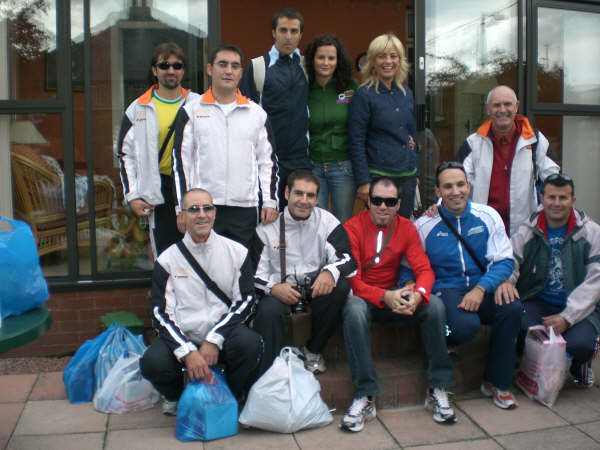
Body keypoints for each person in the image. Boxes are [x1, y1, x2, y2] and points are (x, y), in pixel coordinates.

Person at [340, 177, 456, 432]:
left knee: (434, 306)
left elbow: (424, 269)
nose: (383, 206)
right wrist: (384, 297)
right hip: (368, 297)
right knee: (353, 310)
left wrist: (419, 295)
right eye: (377, 200)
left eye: (390, 201)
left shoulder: (406, 228)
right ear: (367, 201)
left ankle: (437, 387)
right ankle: (365, 394)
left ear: (398, 204)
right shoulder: (352, 228)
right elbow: (353, 281)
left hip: (395, 294)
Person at [140, 188, 263, 415]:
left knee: (250, 344)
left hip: (223, 337)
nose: (202, 215)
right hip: (184, 336)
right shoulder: (167, 260)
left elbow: (245, 301)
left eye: (207, 208)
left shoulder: (237, 252)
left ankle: (231, 395)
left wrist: (215, 339)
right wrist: (187, 350)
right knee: (152, 362)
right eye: (194, 209)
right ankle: (176, 396)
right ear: (182, 217)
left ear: (214, 213)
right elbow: (160, 314)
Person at [415, 162, 522, 410]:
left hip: (481, 286)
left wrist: (482, 287)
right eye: (448, 186)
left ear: (469, 186)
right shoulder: (424, 224)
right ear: (438, 192)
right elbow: (413, 266)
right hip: (446, 289)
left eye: (460, 184)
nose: (456, 191)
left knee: (512, 309)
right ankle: (445, 335)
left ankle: (496, 381)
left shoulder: (488, 215)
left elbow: (504, 260)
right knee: (463, 328)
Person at [496, 173, 600, 388]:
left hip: (580, 307)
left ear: (573, 200)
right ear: (541, 198)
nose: (556, 203)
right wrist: (507, 281)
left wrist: (567, 317)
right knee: (517, 323)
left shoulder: (591, 232)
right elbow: (510, 262)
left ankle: (580, 363)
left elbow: (595, 282)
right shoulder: (528, 229)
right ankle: (533, 365)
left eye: (563, 198)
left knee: (581, 344)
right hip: (537, 300)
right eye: (551, 197)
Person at [171, 44, 278, 249]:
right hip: (204, 208)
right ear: (210, 69)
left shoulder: (257, 114)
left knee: (242, 271)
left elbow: (268, 162)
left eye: (235, 66)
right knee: (205, 271)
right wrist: (182, 208)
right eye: (223, 64)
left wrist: (269, 201)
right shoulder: (191, 111)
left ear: (240, 72)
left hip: (245, 208)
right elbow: (181, 164)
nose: (229, 71)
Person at [252, 169, 357, 374]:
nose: (304, 200)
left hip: (314, 286)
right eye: (298, 193)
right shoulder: (267, 228)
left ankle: (313, 351)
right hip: (280, 290)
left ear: (317, 198)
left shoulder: (327, 222)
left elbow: (348, 259)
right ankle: (268, 368)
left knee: (340, 286)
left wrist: (329, 272)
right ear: (286, 194)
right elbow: (252, 275)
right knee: (267, 308)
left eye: (310, 195)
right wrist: (273, 289)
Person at [118, 42, 198, 258]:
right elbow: (126, 155)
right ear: (154, 70)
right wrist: (132, 195)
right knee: (166, 254)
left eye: (177, 65)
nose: (171, 70)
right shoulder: (138, 108)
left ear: (183, 70)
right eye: (164, 65)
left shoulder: (198, 105)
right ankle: (167, 293)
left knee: (199, 251)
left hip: (194, 187)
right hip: (160, 188)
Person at [457, 85, 559, 235]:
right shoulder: (473, 143)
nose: (502, 110)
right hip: (483, 231)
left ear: (516, 106)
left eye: (507, 104)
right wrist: (440, 206)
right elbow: (456, 183)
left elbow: (556, 182)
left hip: (525, 233)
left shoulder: (535, 141)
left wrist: (572, 215)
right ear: (488, 109)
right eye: (496, 105)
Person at [240, 8, 311, 209]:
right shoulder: (258, 66)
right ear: (273, 32)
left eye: (294, 31)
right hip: (267, 160)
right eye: (283, 30)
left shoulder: (307, 67)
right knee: (268, 221)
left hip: (301, 160)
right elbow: (245, 116)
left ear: (300, 34)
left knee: (301, 220)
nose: (288, 37)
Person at [348, 33, 416, 218]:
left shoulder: (406, 93)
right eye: (382, 56)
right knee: (379, 232)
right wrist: (363, 182)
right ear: (372, 61)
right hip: (379, 176)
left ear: (400, 60)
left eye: (393, 56)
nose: (388, 61)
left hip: (407, 175)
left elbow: (410, 131)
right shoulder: (364, 95)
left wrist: (413, 158)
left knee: (403, 229)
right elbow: (356, 141)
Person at [304, 33, 358, 223]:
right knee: (314, 223)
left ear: (338, 60)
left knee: (342, 223)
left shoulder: (349, 88)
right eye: (321, 57)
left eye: (331, 58)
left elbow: (363, 122)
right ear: (312, 60)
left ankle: (340, 254)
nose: (325, 62)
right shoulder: (304, 88)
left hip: (343, 166)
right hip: (313, 166)